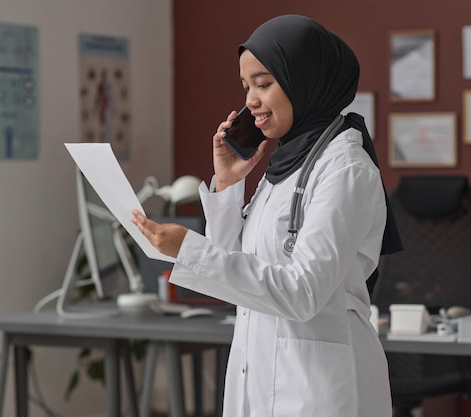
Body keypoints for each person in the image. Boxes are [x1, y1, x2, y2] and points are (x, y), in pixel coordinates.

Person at [131, 14, 402, 417]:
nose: (250, 102)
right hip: (259, 380)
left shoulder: (345, 168)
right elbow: (235, 275)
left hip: (319, 390)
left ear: (303, 79)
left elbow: (302, 293)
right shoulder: (286, 165)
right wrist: (225, 186)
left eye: (264, 84)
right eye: (246, 87)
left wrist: (188, 250)